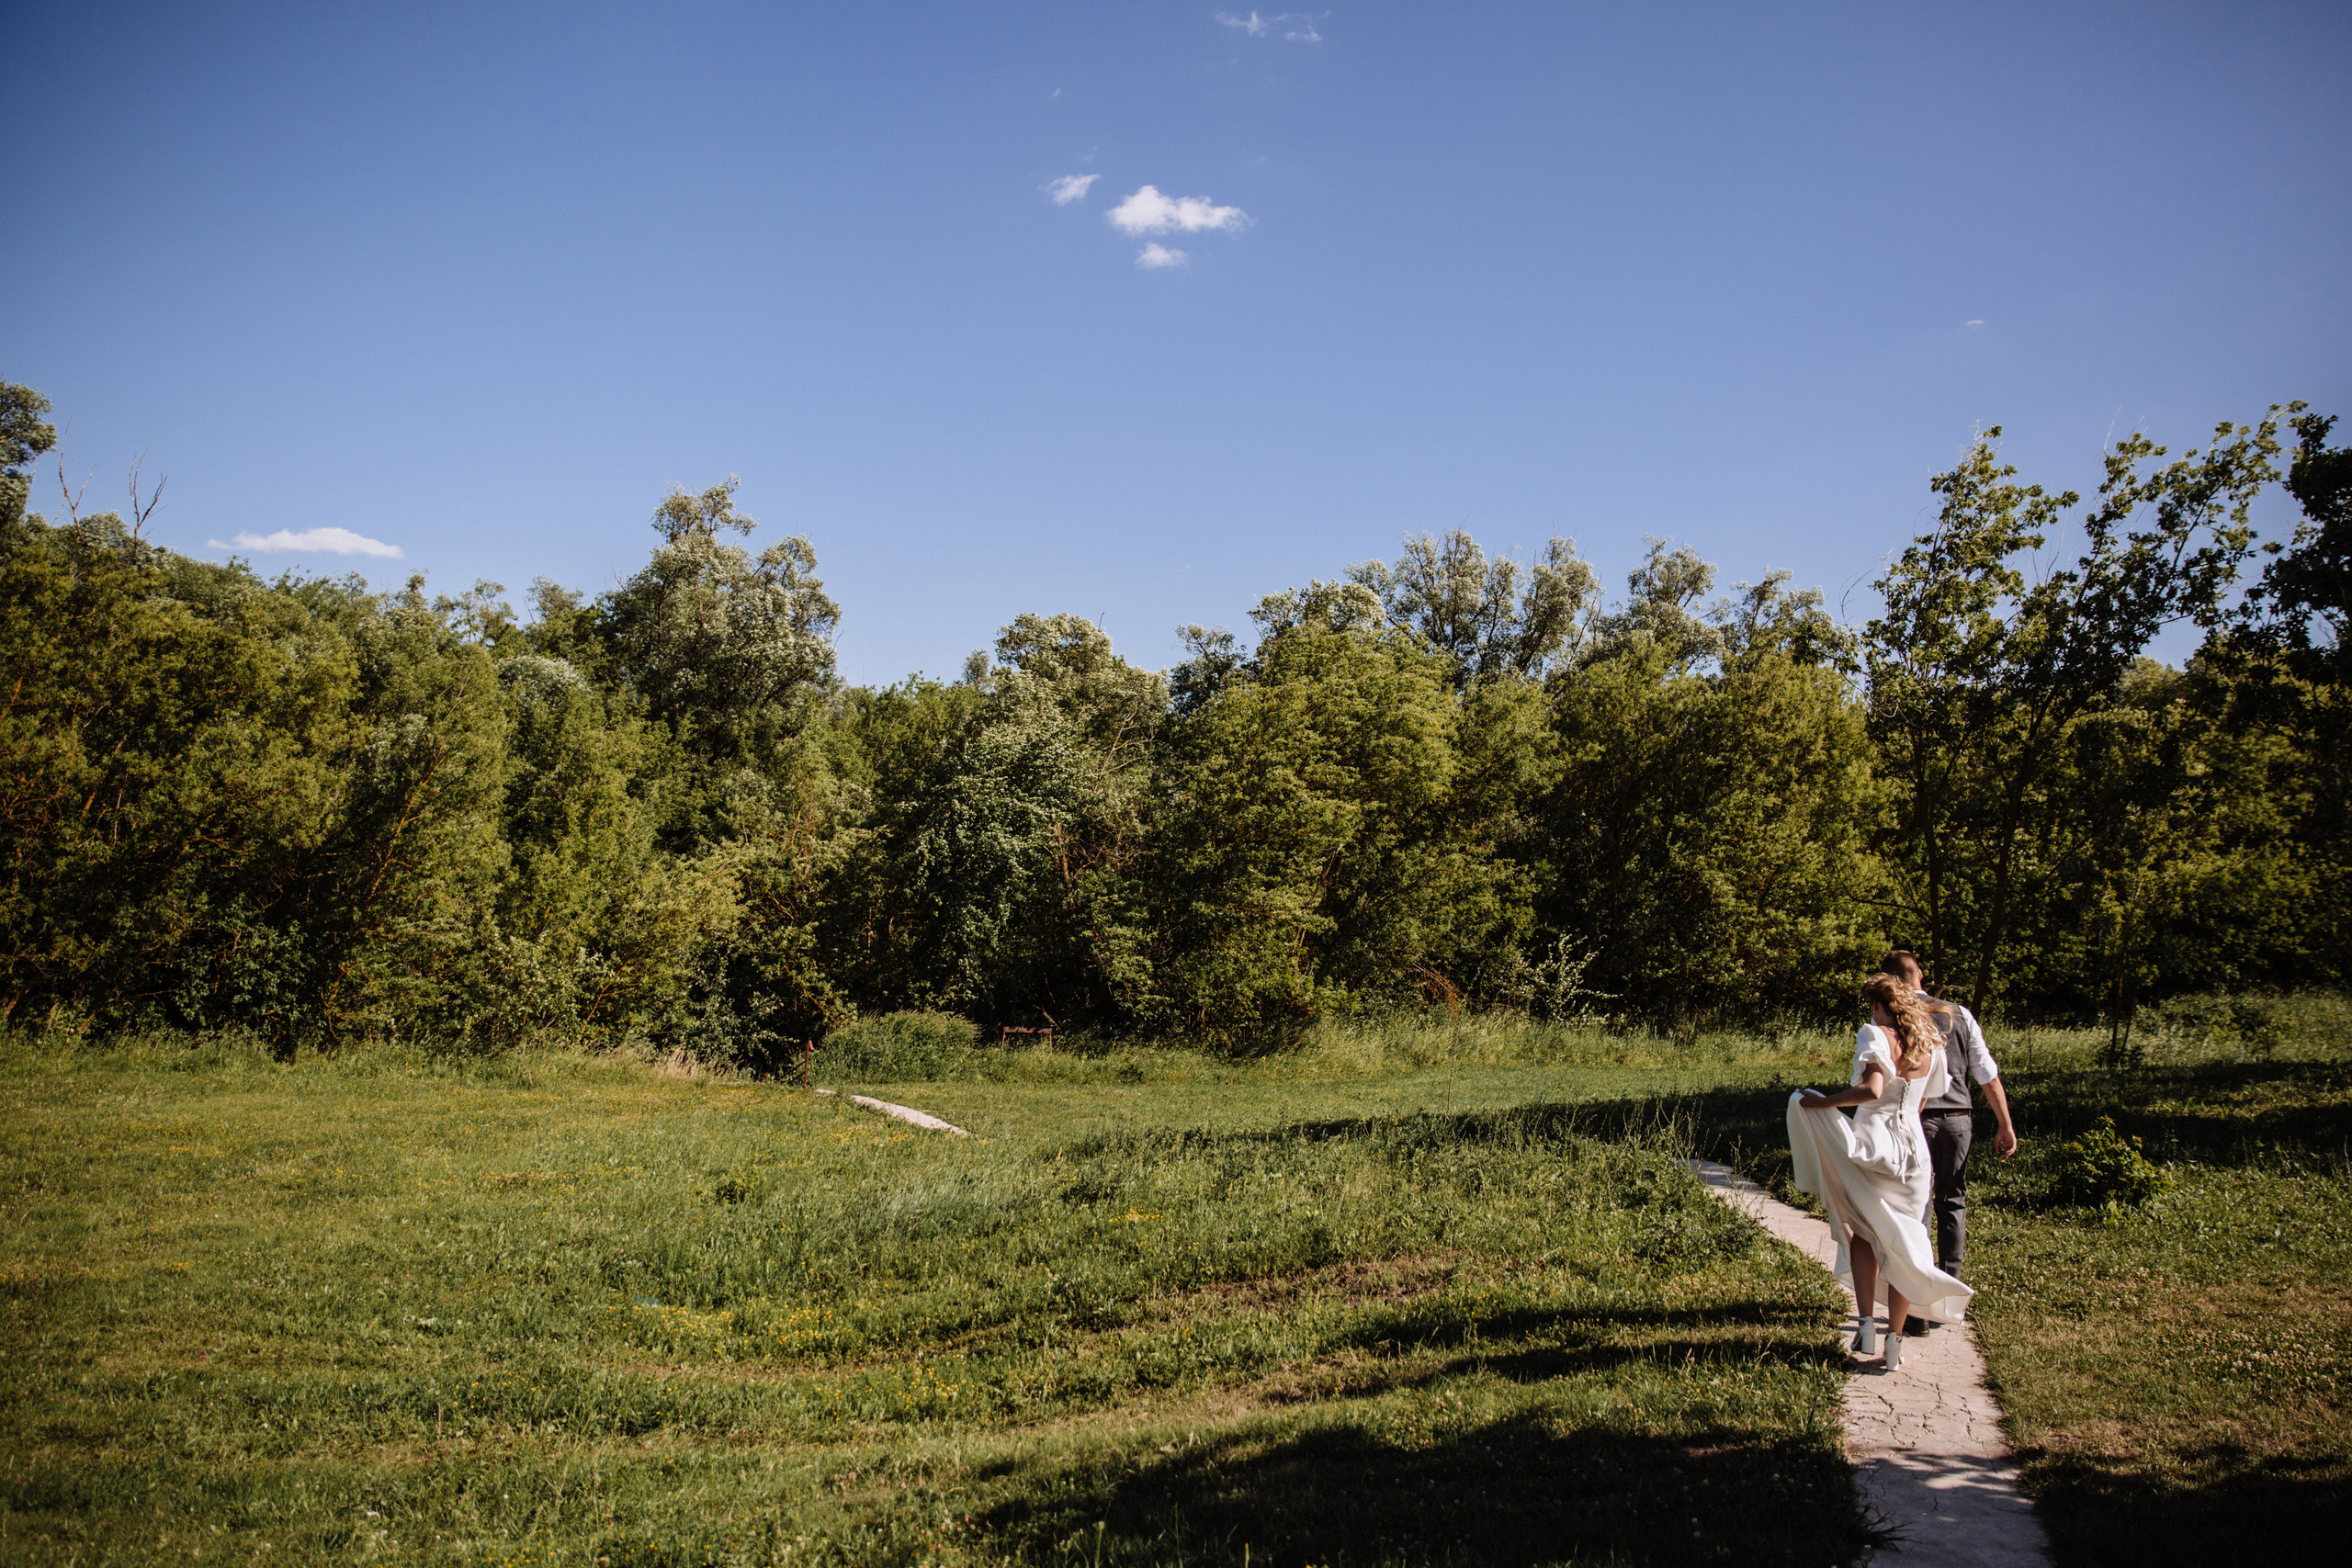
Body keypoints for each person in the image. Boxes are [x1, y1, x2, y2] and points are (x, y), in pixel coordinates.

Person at [1786, 974, 1973, 1371]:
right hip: (1913, 1153)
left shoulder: (1874, 1033)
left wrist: (1824, 1103)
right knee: (1908, 1240)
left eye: (1873, 1004)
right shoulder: (1930, 1044)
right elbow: (1925, 1099)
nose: (1871, 1011)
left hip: (1874, 1145)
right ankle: (1896, 1340)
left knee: (1866, 1230)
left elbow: (1872, 1090)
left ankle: (1868, 1324)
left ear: (1880, 1006)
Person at [1879, 950, 2017, 1336]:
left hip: (1916, 1120)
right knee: (1953, 1201)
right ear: (1919, 975)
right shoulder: (1958, 1014)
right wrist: (2005, 1124)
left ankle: (1916, 1306)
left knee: (1915, 1207)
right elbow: (1986, 1074)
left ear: (1890, 980)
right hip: (1959, 1120)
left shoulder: (1893, 1017)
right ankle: (1946, 1297)